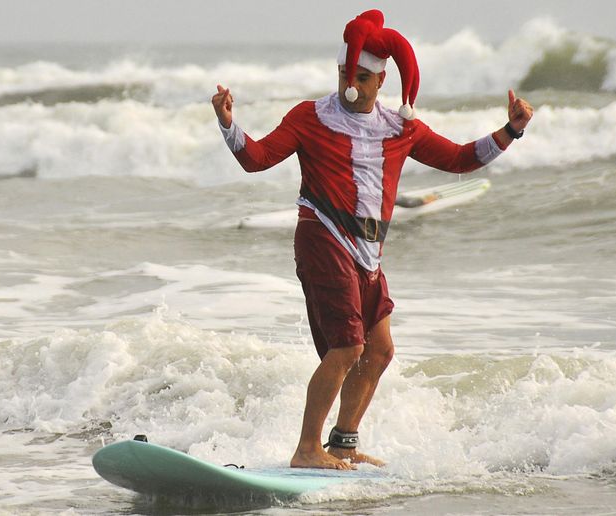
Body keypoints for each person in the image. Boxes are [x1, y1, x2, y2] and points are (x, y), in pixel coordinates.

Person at [211, 9, 533, 471]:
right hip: (322, 238)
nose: (351, 84)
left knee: (379, 350)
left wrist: (512, 130)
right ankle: (306, 450)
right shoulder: (309, 117)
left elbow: (460, 159)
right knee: (347, 348)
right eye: (345, 74)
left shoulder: (401, 128)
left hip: (367, 253)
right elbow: (256, 159)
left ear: (381, 82)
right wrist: (228, 124)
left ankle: (342, 443)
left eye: (362, 77)